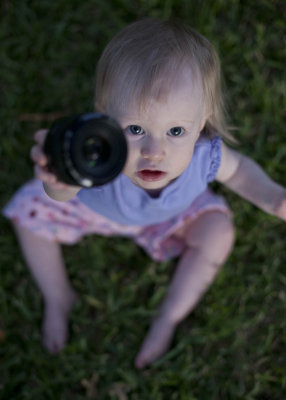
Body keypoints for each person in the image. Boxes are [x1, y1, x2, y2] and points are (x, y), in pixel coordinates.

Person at [3, 18, 286, 369]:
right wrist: (58, 182)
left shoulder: (204, 155)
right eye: (135, 129)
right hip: (94, 211)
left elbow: (240, 171)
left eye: (176, 130)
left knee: (218, 232)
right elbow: (60, 195)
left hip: (172, 217)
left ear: (201, 123)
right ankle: (58, 296)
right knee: (29, 214)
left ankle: (169, 316)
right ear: (103, 118)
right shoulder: (98, 153)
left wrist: (274, 197)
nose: (155, 151)